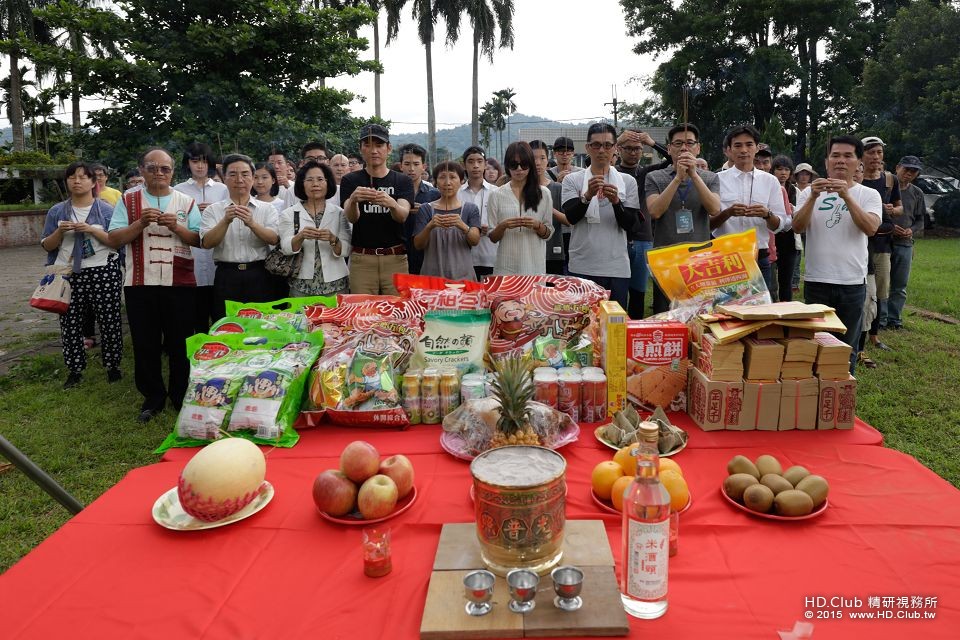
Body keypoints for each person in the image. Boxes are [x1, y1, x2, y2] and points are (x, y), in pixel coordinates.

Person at [107, 147, 202, 423]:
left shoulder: (186, 201)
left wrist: (178, 228)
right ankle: (152, 397)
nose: (159, 173)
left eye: (165, 168)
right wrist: (139, 224)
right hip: (140, 282)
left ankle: (180, 394)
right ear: (142, 170)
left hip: (180, 282)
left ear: (173, 172)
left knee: (181, 342)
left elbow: (199, 240)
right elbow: (114, 239)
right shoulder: (129, 199)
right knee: (145, 343)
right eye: (152, 168)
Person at [793, 135, 882, 373]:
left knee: (847, 348)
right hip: (816, 281)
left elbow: (871, 228)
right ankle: (816, 398)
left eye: (847, 156)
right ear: (826, 161)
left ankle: (841, 400)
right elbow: (797, 226)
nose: (840, 161)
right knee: (815, 345)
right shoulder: (808, 193)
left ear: (858, 162)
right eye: (835, 155)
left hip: (852, 283)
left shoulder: (868, 195)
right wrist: (812, 196)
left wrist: (846, 196)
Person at [40, 162, 123, 388]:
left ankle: (113, 366)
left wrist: (92, 230)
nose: (77, 181)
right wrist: (60, 231)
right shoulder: (57, 211)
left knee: (109, 319)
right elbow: (47, 245)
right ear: (66, 181)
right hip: (67, 273)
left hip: (103, 270)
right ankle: (75, 369)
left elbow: (117, 242)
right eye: (72, 177)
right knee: (70, 322)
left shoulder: (105, 210)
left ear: (93, 182)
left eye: (83, 177)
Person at [645, 123, 721, 314]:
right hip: (666, 260)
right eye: (678, 143)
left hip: (699, 261)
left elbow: (714, 208)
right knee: (666, 315)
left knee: (700, 316)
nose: (684, 148)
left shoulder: (710, 178)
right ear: (669, 148)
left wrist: (694, 174)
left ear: (698, 147)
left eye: (689, 143)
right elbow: (655, 211)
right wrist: (677, 178)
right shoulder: (655, 177)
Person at [561, 123, 640, 308]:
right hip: (582, 265)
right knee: (582, 327)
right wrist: (587, 196)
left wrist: (616, 203)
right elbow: (571, 217)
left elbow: (631, 225)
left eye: (607, 145)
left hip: (617, 267)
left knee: (614, 326)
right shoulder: (572, 180)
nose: (601, 150)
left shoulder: (627, 182)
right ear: (588, 148)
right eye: (596, 145)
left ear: (615, 148)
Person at [199, 154, 280, 320]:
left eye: (245, 174)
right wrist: (225, 221)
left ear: (252, 177)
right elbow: (206, 243)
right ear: (225, 178)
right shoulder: (213, 210)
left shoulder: (267, 209)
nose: (239, 179)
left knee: (262, 326)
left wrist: (252, 223)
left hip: (260, 273)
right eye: (233, 174)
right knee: (227, 326)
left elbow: (274, 239)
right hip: (226, 275)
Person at [711, 125, 788, 296]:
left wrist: (766, 214)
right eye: (738, 146)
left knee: (759, 313)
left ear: (757, 147)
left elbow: (781, 225)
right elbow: (707, 225)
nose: (744, 150)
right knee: (725, 310)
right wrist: (727, 213)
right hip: (725, 258)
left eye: (749, 144)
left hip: (759, 257)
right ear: (729, 150)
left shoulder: (770, 181)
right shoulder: (717, 179)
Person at [341, 123, 414, 295]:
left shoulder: (402, 181)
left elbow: (402, 216)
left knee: (397, 312)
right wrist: (353, 200)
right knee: (362, 312)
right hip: (362, 259)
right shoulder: (350, 180)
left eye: (379, 145)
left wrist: (391, 204)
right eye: (367, 145)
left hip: (395, 258)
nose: (374, 150)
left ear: (389, 148)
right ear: (361, 149)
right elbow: (351, 217)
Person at [616, 129, 671, 318]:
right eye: (628, 148)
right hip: (617, 237)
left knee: (639, 293)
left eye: (638, 149)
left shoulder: (647, 173)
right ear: (619, 149)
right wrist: (617, 139)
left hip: (643, 238)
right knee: (617, 294)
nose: (633, 152)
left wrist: (652, 143)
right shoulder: (612, 172)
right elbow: (602, 158)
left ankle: (635, 333)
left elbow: (673, 160)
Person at [174, 142, 228, 332]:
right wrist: (194, 211)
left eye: (204, 161)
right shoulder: (178, 190)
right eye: (194, 161)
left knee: (221, 315)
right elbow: (176, 219)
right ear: (187, 163)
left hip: (216, 255)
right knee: (195, 314)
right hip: (192, 256)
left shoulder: (222, 189)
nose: (199, 166)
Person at [279, 160, 351, 296]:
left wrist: (332, 239)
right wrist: (300, 236)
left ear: (328, 183)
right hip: (301, 284)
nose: (315, 184)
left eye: (320, 179)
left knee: (336, 317)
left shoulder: (339, 213)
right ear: (301, 184)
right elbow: (286, 248)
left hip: (336, 283)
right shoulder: (289, 213)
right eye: (310, 180)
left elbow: (346, 250)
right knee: (301, 317)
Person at [860, 136, 900, 348]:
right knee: (861, 290)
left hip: (882, 245)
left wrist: (892, 211)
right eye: (871, 152)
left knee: (880, 291)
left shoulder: (889, 179)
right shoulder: (855, 180)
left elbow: (898, 209)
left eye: (879, 152)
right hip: (858, 245)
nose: (876, 157)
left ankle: (874, 335)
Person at [489, 142, 553, 275]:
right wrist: (503, 226)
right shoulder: (496, 194)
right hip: (505, 267)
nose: (519, 169)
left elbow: (548, 233)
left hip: (534, 268)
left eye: (524, 164)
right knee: (505, 296)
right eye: (514, 164)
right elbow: (493, 237)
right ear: (507, 166)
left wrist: (537, 225)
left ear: (530, 165)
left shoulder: (544, 193)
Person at [412, 161, 481, 280]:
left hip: (463, 277)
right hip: (432, 277)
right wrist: (430, 226)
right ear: (435, 182)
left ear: (461, 181)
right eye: (442, 177)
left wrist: (462, 226)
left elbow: (475, 240)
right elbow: (418, 245)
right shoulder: (426, 209)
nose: (447, 182)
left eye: (453, 177)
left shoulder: (470, 209)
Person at [887, 156, 926, 330]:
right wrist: (890, 227)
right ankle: (879, 319)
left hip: (905, 243)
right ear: (897, 168)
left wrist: (912, 230)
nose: (909, 174)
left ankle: (894, 319)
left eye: (914, 171)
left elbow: (920, 220)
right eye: (906, 169)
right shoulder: (886, 187)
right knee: (880, 283)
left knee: (899, 285)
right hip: (883, 241)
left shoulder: (917, 193)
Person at [399, 143, 440, 275]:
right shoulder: (393, 193)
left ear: (424, 167)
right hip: (399, 253)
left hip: (427, 253)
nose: (411, 169)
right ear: (400, 166)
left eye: (416, 164)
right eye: (407, 164)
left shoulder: (434, 194)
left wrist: (425, 211)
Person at [459, 145, 497, 280]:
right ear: (463, 165)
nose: (475, 165)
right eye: (471, 161)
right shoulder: (457, 193)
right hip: (464, 257)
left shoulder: (496, 192)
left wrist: (492, 228)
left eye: (479, 161)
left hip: (491, 256)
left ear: (485, 164)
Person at [530, 140, 567, 275]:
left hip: (553, 252)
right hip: (528, 253)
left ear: (548, 160)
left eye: (542, 158)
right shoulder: (520, 190)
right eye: (533, 158)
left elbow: (568, 220)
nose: (538, 162)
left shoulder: (557, 188)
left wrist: (548, 208)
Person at [771, 154, 799, 302]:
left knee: (786, 280)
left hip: (789, 238)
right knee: (770, 280)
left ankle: (787, 311)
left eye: (787, 169)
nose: (783, 173)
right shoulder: (769, 187)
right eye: (779, 169)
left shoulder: (794, 190)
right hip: (771, 237)